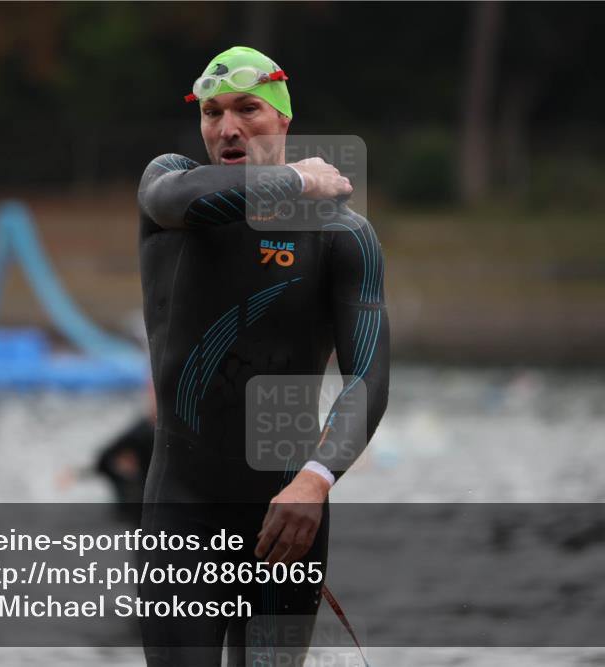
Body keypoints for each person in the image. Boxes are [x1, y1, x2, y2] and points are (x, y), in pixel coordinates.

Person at [136, 45, 389, 666]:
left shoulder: (344, 237)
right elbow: (177, 198)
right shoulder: (173, 195)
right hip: (182, 517)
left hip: (287, 518)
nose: (228, 128)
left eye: (248, 109)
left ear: (282, 118)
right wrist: (298, 178)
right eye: (213, 112)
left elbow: (369, 378)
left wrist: (316, 481)